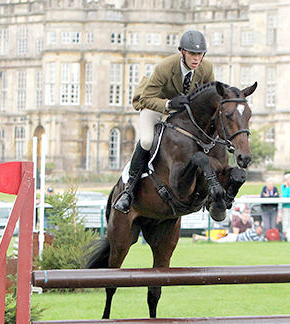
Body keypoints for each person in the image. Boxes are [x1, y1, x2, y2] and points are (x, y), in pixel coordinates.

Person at [113, 30, 214, 213]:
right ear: (182, 52)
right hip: (156, 105)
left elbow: (210, 98)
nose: (196, 59)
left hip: (182, 112)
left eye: (200, 54)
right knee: (147, 140)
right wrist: (168, 104)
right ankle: (128, 191)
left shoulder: (206, 68)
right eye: (192, 54)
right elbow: (145, 98)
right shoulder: (166, 67)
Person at [193, 220, 265, 243]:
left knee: (217, 239)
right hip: (233, 238)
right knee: (216, 241)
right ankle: (198, 237)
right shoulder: (254, 234)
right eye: (258, 229)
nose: (258, 231)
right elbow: (262, 240)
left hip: (234, 236)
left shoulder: (253, 230)